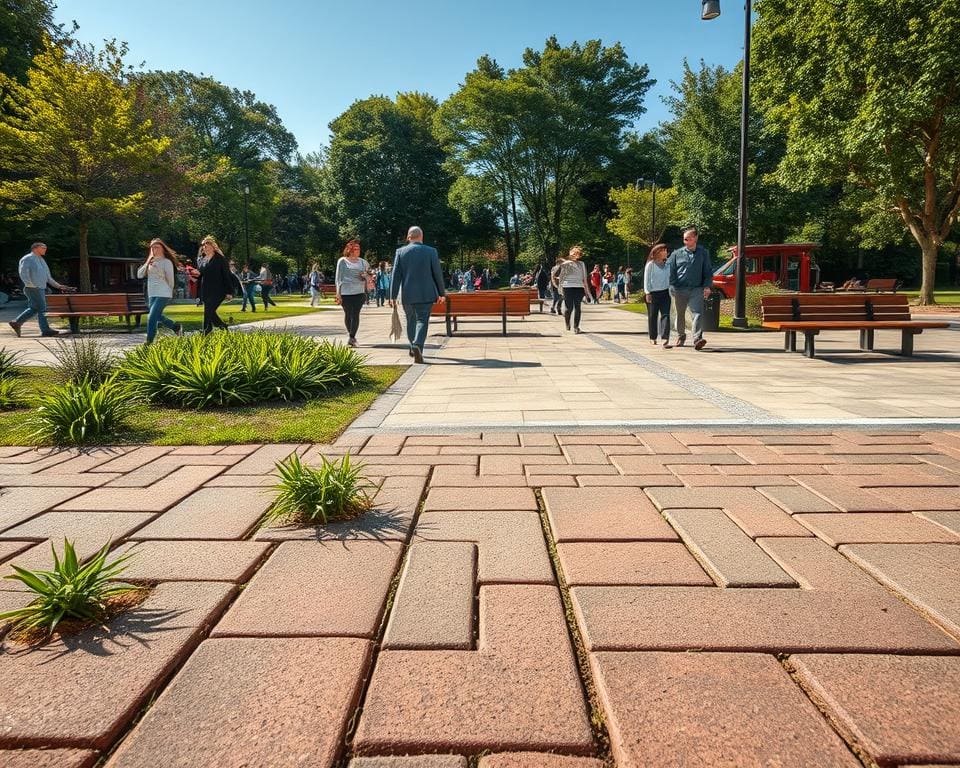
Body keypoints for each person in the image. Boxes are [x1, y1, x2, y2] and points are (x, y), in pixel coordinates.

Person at [390, 226, 445, 364]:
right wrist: (441, 293)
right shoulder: (431, 251)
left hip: (407, 294)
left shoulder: (400, 252)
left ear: (408, 237)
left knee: (410, 320)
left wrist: (392, 295)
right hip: (426, 293)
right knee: (422, 320)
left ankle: (413, 345)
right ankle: (417, 345)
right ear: (421, 236)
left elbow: (395, 275)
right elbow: (437, 274)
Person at [9, 242, 76, 337]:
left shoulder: (42, 260)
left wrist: (59, 286)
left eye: (45, 248)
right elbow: (23, 273)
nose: (45, 249)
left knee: (34, 308)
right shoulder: (27, 258)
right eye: (43, 248)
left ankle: (16, 322)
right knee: (42, 308)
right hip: (33, 288)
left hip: (40, 288)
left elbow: (48, 277)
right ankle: (45, 330)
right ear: (35, 248)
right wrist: (31, 285)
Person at [667, 227, 713, 350]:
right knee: (680, 314)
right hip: (680, 289)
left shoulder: (703, 253)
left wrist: (707, 286)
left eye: (689, 239)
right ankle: (681, 336)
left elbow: (707, 271)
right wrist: (672, 286)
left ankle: (697, 339)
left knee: (698, 313)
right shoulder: (676, 254)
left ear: (696, 238)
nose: (686, 241)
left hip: (696, 289)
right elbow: (671, 271)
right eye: (685, 239)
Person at [138, 238, 183, 343]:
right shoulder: (150, 262)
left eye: (157, 247)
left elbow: (171, 281)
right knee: (156, 315)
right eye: (152, 248)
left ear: (162, 248)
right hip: (152, 293)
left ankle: (149, 342)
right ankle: (175, 326)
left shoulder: (166, 262)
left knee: (151, 317)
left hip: (164, 292)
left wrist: (169, 292)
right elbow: (139, 275)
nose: (154, 249)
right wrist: (148, 262)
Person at [335, 239, 370, 347]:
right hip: (345, 292)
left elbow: (370, 276)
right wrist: (338, 293)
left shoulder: (363, 262)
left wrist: (366, 276)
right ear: (349, 250)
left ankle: (352, 337)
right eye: (355, 249)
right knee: (348, 314)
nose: (358, 250)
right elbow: (338, 278)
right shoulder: (343, 261)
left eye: (358, 248)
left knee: (355, 314)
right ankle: (351, 336)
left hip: (359, 292)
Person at [198, 236, 233, 334]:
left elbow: (226, 275)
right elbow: (201, 273)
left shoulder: (220, 259)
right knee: (209, 311)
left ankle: (207, 329)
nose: (205, 247)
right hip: (206, 289)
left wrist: (229, 291)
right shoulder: (203, 259)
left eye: (207, 245)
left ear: (213, 247)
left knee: (209, 310)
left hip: (219, 290)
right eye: (204, 245)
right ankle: (219, 326)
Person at [558, 245, 592, 333]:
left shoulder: (581, 264)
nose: (576, 255)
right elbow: (561, 277)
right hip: (567, 287)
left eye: (578, 254)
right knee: (569, 308)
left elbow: (584, 278)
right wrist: (560, 288)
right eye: (574, 253)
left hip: (579, 287)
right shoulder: (565, 264)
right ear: (570, 254)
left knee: (577, 307)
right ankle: (567, 323)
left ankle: (576, 327)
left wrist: (587, 292)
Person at [644, 243, 672, 348]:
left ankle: (665, 337)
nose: (665, 252)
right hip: (653, 294)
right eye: (663, 250)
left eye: (666, 250)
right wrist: (647, 292)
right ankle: (653, 337)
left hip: (665, 293)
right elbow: (646, 280)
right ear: (656, 252)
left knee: (665, 315)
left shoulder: (668, 264)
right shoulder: (650, 265)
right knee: (653, 316)